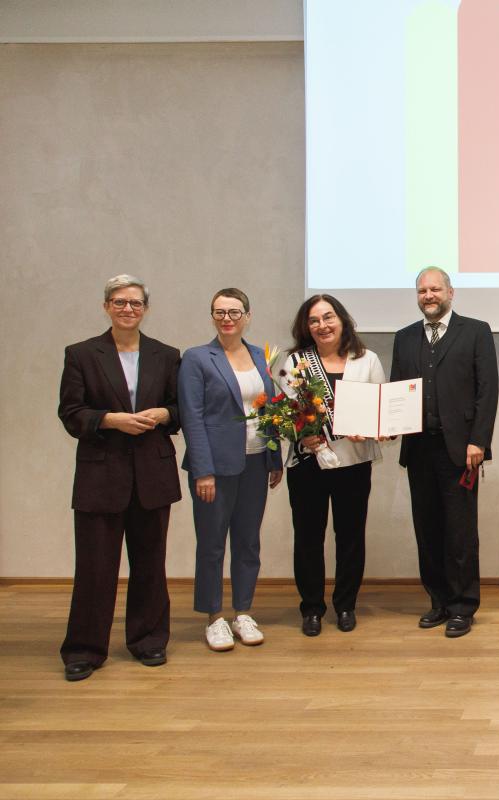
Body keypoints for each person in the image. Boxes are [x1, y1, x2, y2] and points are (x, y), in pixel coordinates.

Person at [57, 275, 182, 682]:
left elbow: (180, 409)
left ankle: (148, 641)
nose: (127, 308)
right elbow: (71, 413)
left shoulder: (166, 354)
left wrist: (163, 415)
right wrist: (109, 420)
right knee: (95, 567)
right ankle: (84, 649)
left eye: (135, 302)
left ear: (146, 308)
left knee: (150, 563)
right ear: (106, 306)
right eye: (119, 301)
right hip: (100, 475)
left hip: (152, 473)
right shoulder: (81, 354)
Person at [390, 266, 498, 638]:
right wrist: (389, 427)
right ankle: (437, 602)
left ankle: (463, 606)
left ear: (450, 292)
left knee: (461, 532)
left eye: (435, 289)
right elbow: (395, 391)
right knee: (428, 529)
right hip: (418, 449)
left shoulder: (477, 332)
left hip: (460, 450)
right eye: (422, 291)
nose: (428, 296)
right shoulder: (403, 338)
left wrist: (478, 441)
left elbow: (488, 391)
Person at [179, 288, 283, 652]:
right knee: (211, 545)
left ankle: (242, 612)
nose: (227, 318)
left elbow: (270, 409)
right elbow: (192, 418)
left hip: (255, 461)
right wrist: (202, 471)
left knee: (247, 542)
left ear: (247, 317)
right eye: (219, 312)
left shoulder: (259, 355)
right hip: (215, 468)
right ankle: (213, 617)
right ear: (212, 317)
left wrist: (275, 458)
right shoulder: (197, 358)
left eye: (234, 312)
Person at [277, 295, 386, 636]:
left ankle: (345, 605)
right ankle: (311, 608)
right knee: (308, 537)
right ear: (305, 326)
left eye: (328, 317)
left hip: (353, 463)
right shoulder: (292, 361)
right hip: (308, 463)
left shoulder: (367, 360)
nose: (322, 325)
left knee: (350, 536)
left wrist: (373, 429)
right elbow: (280, 414)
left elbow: (382, 412)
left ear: (342, 320)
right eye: (314, 320)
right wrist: (300, 434)